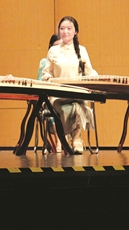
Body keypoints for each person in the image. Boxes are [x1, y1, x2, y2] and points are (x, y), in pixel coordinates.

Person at [41, 16, 97, 154]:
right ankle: (76, 139)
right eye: (62, 28)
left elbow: (90, 72)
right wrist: (47, 76)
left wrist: (100, 79)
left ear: (75, 32)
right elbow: (46, 72)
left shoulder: (82, 50)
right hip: (59, 94)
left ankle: (73, 139)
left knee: (78, 105)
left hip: (76, 92)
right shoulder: (53, 51)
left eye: (69, 28)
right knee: (72, 107)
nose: (65, 31)